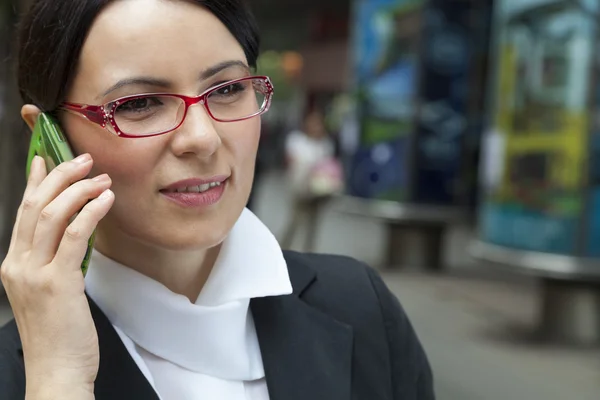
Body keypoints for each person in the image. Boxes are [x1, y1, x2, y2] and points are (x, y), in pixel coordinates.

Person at [0, 1, 435, 399]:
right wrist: (59, 379)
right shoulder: (25, 373)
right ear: (47, 136)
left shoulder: (361, 307)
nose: (202, 138)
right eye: (140, 103)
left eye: (227, 90)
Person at [280, 109, 343, 252]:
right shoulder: (296, 140)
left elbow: (328, 165)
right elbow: (291, 160)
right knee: (295, 220)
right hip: (300, 188)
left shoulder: (325, 144)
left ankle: (309, 252)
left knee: (314, 223)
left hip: (319, 189)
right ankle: (284, 249)